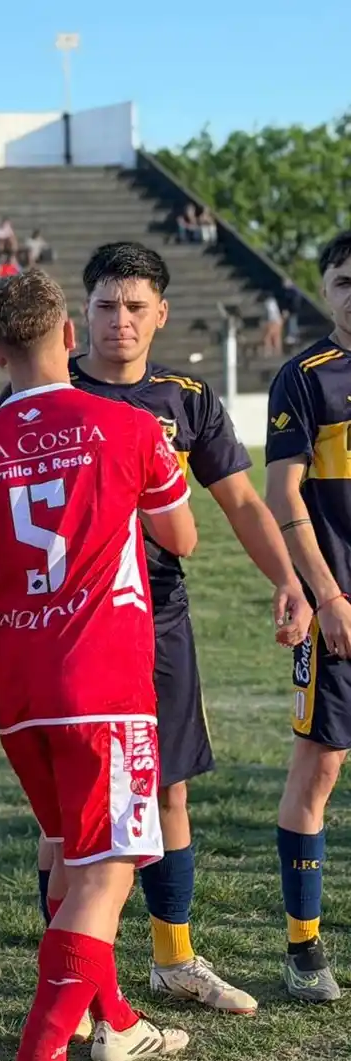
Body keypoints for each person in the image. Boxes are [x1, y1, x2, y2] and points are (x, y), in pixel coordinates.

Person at [0, 243, 309, 1017]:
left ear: (160, 315)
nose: (121, 321)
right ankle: (74, 980)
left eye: (136, 307)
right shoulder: (45, 394)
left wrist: (287, 579)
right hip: (68, 628)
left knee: (169, 788)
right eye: (106, 306)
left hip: (157, 619)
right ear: (80, 317)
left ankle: (174, 958)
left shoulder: (186, 398)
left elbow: (239, 500)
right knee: (66, 817)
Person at [0, 270, 202, 1061]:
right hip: (102, 680)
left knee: (69, 845)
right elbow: (180, 534)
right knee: (109, 866)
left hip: (19, 680)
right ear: (69, 339)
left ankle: (113, 1019)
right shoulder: (124, 425)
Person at [263, 228, 351, 1003]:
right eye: (346, 278)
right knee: (320, 768)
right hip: (339, 608)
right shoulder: (306, 378)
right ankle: (303, 946)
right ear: (325, 289)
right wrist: (326, 594)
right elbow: (282, 493)